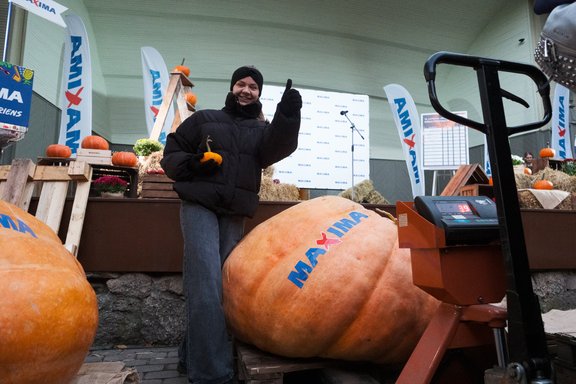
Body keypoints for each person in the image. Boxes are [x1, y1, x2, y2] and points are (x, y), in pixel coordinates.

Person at [160, 65, 302, 384]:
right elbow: (171, 152)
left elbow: (277, 148)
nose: (246, 90)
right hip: (199, 205)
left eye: (253, 86)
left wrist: (288, 115)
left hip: (233, 210)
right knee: (206, 284)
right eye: (241, 84)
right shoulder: (206, 119)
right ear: (232, 87)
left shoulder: (262, 129)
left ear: (259, 94)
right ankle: (211, 373)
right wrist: (193, 163)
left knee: (221, 286)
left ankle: (190, 354)